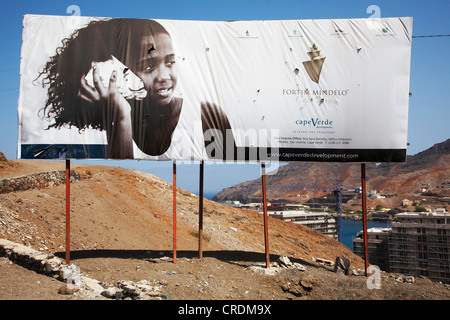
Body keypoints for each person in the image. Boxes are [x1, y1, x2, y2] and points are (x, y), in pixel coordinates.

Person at [38, 18, 236, 160]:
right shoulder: (96, 122)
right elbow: (119, 185)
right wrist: (121, 116)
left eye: (170, 63)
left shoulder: (206, 115)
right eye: (148, 66)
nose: (164, 77)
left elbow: (228, 160)